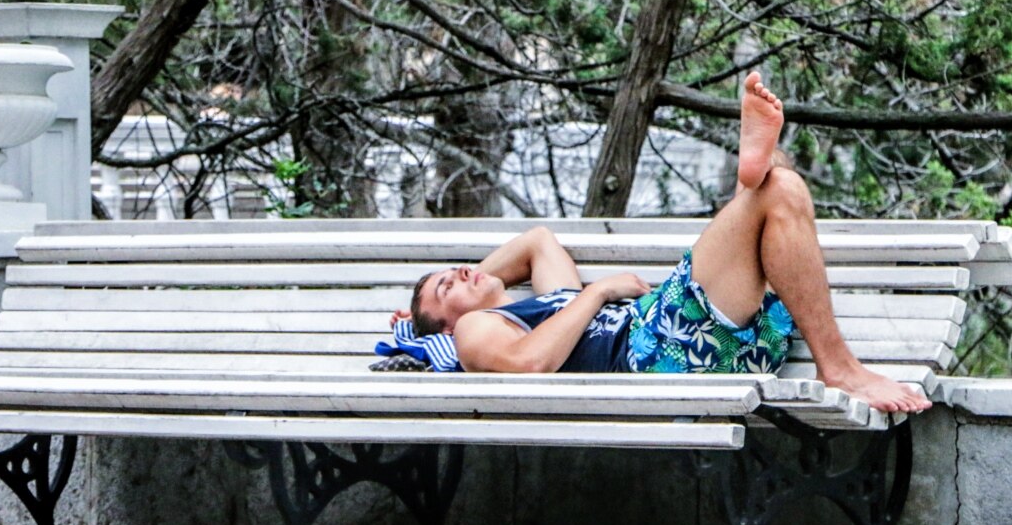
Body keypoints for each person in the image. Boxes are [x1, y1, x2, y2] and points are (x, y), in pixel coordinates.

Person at [395, 72, 931, 413]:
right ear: (449, 327)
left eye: (454, 270)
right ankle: (838, 367)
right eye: (447, 288)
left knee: (777, 184)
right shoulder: (474, 332)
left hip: (717, 342)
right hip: (661, 352)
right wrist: (597, 292)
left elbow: (537, 241)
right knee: (778, 189)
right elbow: (529, 366)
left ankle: (756, 172)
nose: (460, 273)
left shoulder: (543, 307)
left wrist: (470, 281)